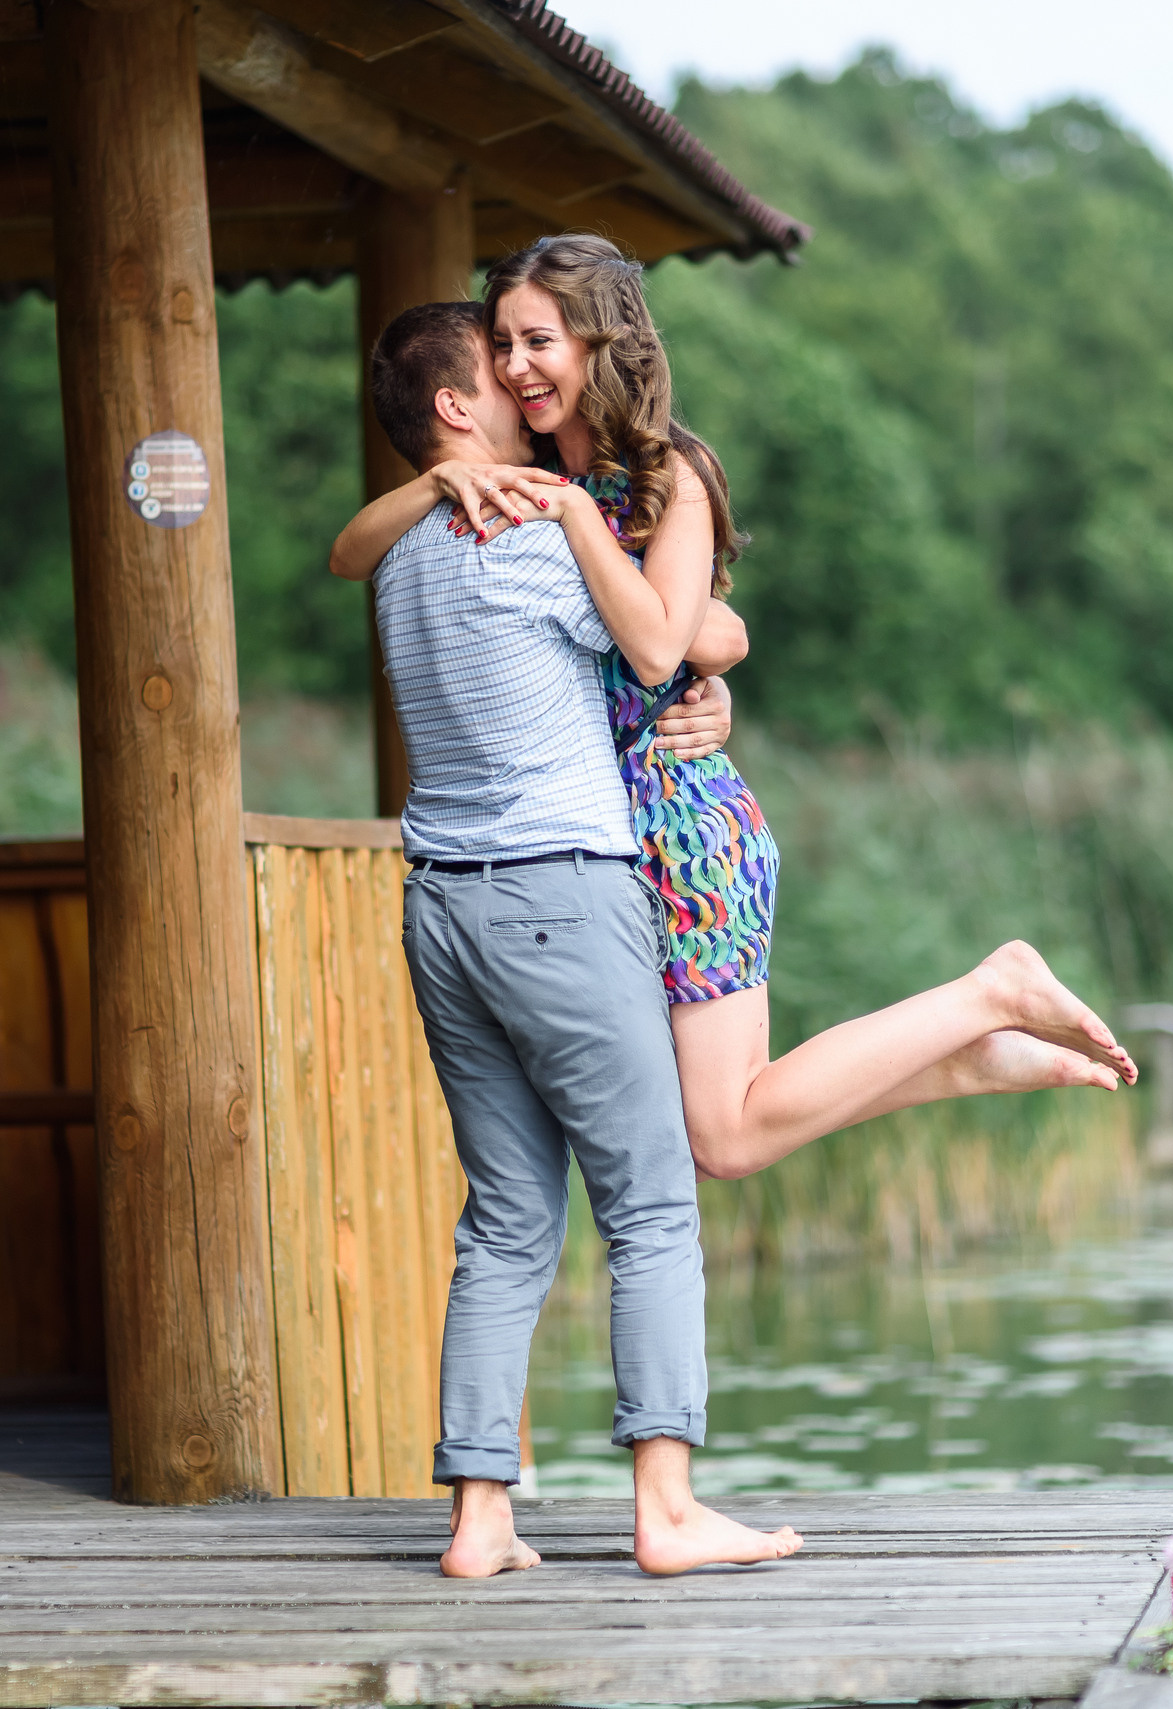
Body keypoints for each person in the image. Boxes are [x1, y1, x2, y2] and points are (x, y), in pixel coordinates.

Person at [333, 236, 1136, 1189]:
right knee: (703, 1128)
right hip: (597, 841)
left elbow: (676, 640)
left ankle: (988, 991)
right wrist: (433, 480)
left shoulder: (662, 474)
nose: (514, 365)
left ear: (600, 340)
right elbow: (352, 555)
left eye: (537, 339)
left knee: (721, 1138)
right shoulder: (520, 471)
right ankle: (961, 1055)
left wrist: (706, 642)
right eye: (501, 344)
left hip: (679, 826)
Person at [360, 299, 802, 1580]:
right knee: (653, 1203)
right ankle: (666, 1507)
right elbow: (688, 632)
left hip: (438, 901)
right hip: (559, 889)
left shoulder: (403, 557)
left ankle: (480, 1518)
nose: (518, 378)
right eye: (495, 367)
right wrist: (705, 645)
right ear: (457, 411)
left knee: (505, 1215)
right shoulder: (539, 537)